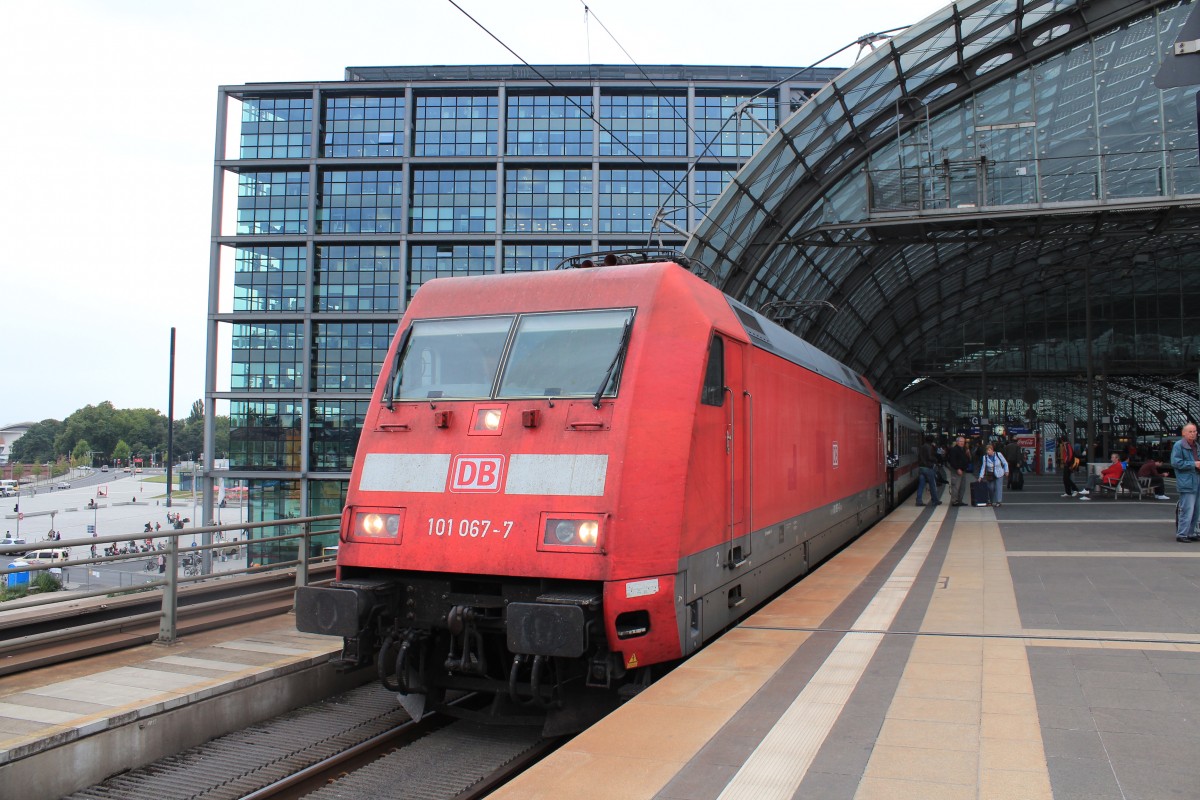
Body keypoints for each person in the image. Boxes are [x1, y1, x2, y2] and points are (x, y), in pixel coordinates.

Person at [1171, 423, 1200, 543]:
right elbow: (1176, 462)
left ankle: (1191, 532)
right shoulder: (1179, 446)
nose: (1193, 434)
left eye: (1195, 431)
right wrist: (1193, 464)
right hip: (1187, 481)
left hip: (1197, 479)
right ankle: (1182, 533)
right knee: (1187, 509)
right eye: (1190, 431)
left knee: (1197, 509)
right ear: (1184, 433)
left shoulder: (1196, 445)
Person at [915, 435, 942, 507]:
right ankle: (935, 500)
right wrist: (935, 460)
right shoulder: (929, 447)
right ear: (932, 441)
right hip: (928, 468)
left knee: (921, 485)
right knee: (932, 485)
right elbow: (930, 457)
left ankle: (919, 501)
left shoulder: (922, 446)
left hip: (921, 468)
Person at [946, 434, 970, 506]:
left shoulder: (964, 450)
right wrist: (957, 468)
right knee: (956, 486)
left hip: (963, 470)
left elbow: (967, 460)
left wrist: (968, 455)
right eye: (960, 441)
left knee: (962, 486)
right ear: (957, 442)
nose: (962, 443)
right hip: (957, 470)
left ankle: (960, 500)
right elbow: (952, 461)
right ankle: (954, 501)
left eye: (963, 441)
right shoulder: (954, 450)